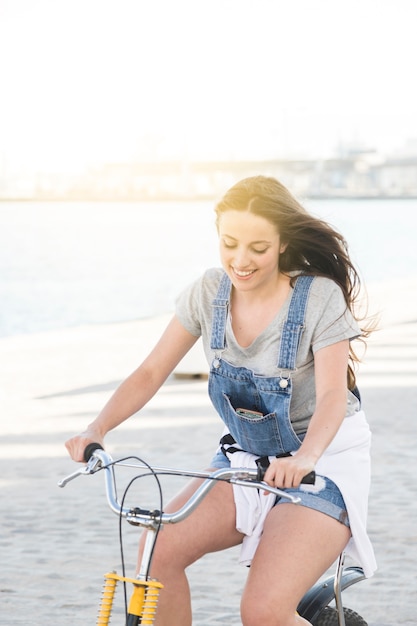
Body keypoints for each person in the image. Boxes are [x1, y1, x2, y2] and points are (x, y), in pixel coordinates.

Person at [65, 175, 376, 626]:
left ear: (283, 245)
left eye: (258, 248)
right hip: (247, 458)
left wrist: (306, 457)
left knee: (263, 612)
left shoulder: (317, 299)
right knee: (158, 552)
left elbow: (332, 394)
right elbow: (152, 371)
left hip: (324, 461)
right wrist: (97, 428)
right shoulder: (209, 294)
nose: (240, 260)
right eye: (230, 243)